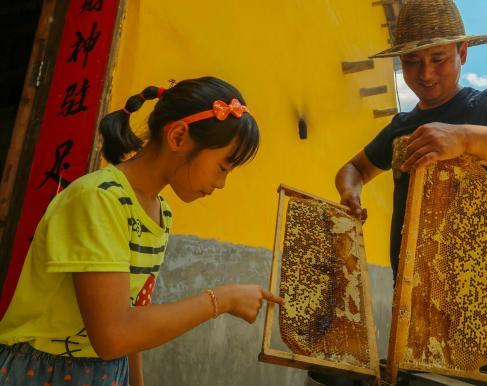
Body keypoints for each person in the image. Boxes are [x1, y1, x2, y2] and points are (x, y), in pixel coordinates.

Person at [334, 0, 487, 385]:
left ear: (463, 52)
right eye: (412, 61)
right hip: (416, 314)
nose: (425, 73)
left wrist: (463, 138)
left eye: (438, 58)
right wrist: (350, 195)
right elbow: (353, 169)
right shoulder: (401, 126)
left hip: (486, 320)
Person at [0, 76, 284, 386]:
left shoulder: (160, 212)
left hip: (107, 374)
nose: (221, 184)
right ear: (178, 137)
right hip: (42, 373)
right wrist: (222, 299)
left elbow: (134, 316)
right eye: (223, 167)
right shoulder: (99, 199)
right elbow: (113, 335)